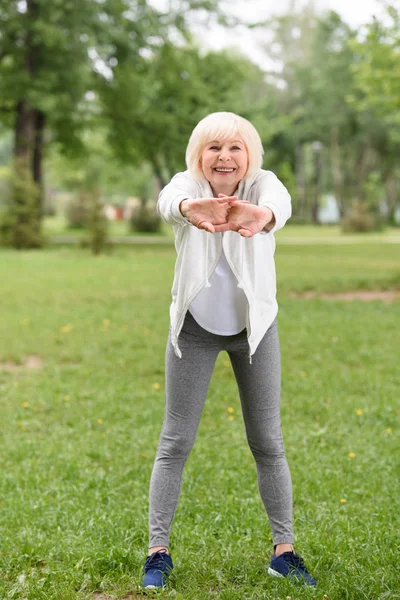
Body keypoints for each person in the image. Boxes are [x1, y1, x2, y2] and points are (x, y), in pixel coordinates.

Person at [142, 112, 316, 589]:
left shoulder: (264, 186)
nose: (224, 156)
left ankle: (285, 551)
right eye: (214, 147)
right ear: (200, 154)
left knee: (267, 440)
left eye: (235, 147)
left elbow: (281, 202)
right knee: (175, 441)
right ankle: (158, 551)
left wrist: (264, 217)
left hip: (254, 331)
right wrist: (188, 209)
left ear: (249, 155)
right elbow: (168, 201)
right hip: (194, 330)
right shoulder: (187, 184)